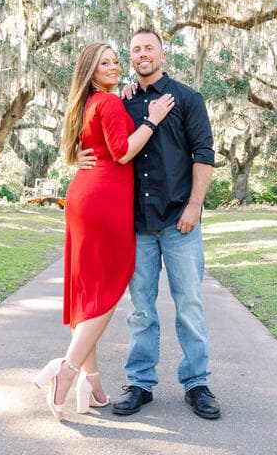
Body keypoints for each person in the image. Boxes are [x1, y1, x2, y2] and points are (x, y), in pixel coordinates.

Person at [32, 41, 174, 422]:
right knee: (109, 287)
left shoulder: (87, 103)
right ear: (90, 70)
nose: (113, 67)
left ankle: (91, 384)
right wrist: (152, 119)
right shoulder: (108, 102)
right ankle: (67, 369)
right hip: (106, 200)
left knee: (87, 290)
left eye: (115, 62)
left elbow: (81, 149)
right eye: (104, 63)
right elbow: (123, 151)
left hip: (82, 196)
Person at [112, 27, 221, 420]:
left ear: (162, 54)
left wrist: (194, 204)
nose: (142, 54)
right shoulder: (121, 102)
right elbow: (112, 149)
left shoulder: (187, 99)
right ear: (131, 57)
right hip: (135, 224)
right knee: (141, 308)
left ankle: (197, 384)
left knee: (188, 304)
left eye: (148, 48)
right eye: (135, 49)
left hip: (179, 221)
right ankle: (140, 383)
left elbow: (204, 153)